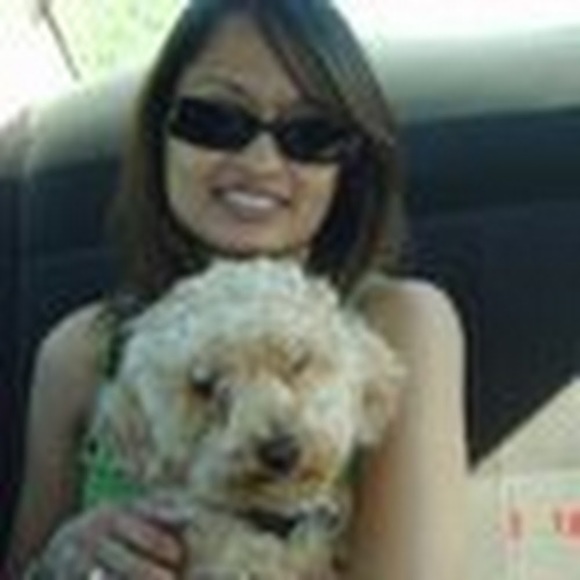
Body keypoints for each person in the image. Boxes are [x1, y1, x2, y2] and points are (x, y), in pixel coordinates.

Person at [4, 0, 468, 578]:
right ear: (160, 132)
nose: (261, 161)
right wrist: (60, 558)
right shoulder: (79, 351)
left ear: (347, 165)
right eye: (217, 120)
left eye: (310, 133)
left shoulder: (401, 322)